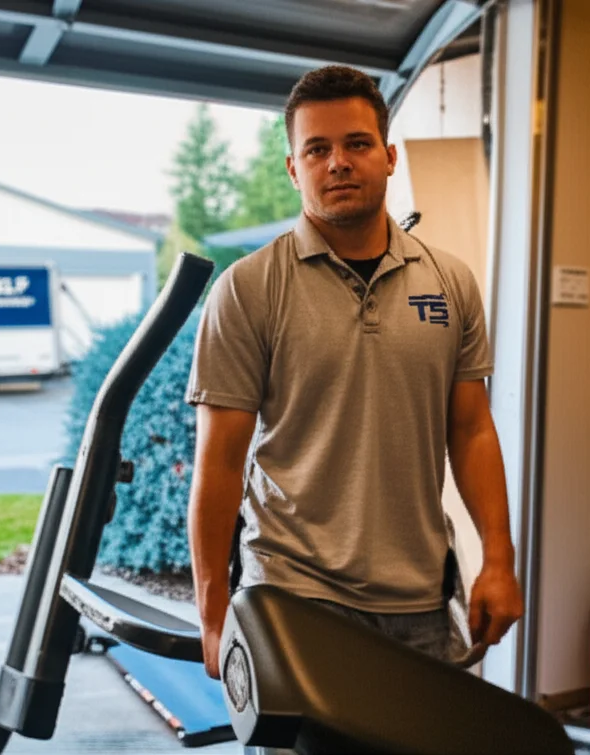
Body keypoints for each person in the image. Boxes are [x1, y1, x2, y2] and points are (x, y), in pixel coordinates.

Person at [185, 64, 522, 680]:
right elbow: (220, 462)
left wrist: (498, 559)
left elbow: (471, 429)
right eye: (317, 149)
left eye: (356, 144)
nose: (337, 162)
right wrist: (212, 616)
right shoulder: (249, 289)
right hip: (293, 594)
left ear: (389, 157)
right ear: (294, 168)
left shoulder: (450, 282)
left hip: (421, 596)